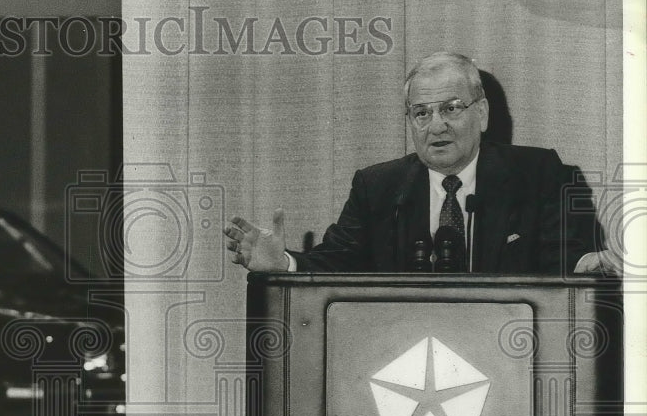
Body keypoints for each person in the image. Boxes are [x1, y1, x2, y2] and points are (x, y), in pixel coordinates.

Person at [224, 51, 613, 276]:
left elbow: (560, 255)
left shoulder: (536, 173)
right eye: (421, 113)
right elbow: (337, 262)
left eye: (450, 109)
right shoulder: (377, 186)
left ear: (481, 114)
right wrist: (285, 263)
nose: (436, 125)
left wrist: (592, 264)